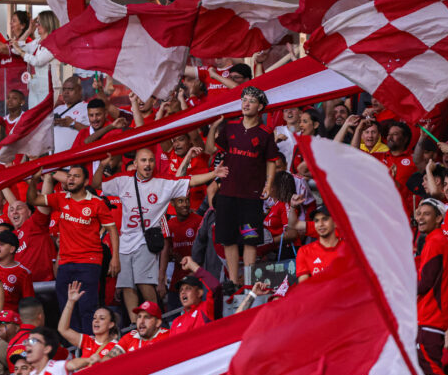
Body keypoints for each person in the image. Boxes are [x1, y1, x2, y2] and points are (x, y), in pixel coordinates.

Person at [96, 148, 227, 321]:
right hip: (125, 242)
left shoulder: (163, 181)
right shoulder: (122, 180)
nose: (148, 164)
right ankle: (137, 326)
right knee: (127, 285)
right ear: (135, 164)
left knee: (144, 283)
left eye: (151, 160)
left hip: (146, 240)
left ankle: (156, 320)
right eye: (143, 160)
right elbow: (97, 184)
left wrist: (213, 174)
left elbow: (190, 181)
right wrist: (101, 167)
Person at [28, 165, 119, 333]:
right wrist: (34, 180)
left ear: (85, 181)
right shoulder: (61, 198)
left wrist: (115, 258)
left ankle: (88, 349)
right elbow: (33, 200)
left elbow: (112, 229)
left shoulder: (97, 203)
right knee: (66, 310)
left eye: (76, 176)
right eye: (69, 176)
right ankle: (73, 350)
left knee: (87, 308)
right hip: (65, 264)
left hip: (89, 263)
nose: (70, 179)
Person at [205, 86, 279, 286]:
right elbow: (210, 149)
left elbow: (272, 160)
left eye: (251, 101)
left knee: (250, 239)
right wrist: (213, 127)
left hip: (251, 195)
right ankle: (232, 281)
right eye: (244, 99)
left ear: (260, 106)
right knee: (228, 239)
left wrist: (268, 184)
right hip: (227, 193)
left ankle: (248, 281)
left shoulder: (266, 133)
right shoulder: (230, 127)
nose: (246, 104)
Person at [414, 198, 448, 375]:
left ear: (439, 218)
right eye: (419, 213)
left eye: (426, 214)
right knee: (429, 374)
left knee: (434, 374)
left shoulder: (435, 242)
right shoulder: (439, 241)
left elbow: (424, 283)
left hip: (429, 318)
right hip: (432, 318)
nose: (420, 218)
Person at [58, 281, 119, 359]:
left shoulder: (116, 347)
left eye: (102, 318)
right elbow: (63, 329)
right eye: (94, 318)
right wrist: (71, 302)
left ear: (111, 324)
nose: (96, 321)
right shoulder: (87, 341)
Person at [18, 11, 60, 108]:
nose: (37, 25)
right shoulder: (37, 41)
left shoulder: (54, 42)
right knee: (33, 116)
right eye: (36, 23)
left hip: (49, 87)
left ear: (47, 23)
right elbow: (18, 48)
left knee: (45, 118)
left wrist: (21, 53)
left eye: (39, 23)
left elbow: (37, 61)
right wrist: (29, 31)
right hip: (35, 85)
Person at [101, 301, 169, 360]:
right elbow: (109, 357)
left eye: (147, 317)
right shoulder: (130, 336)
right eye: (139, 317)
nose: (141, 321)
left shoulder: (168, 336)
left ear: (158, 323)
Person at [294, 206, 342, 283]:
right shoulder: (304, 251)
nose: (320, 224)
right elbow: (304, 287)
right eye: (316, 221)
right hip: (318, 294)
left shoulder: (350, 249)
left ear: (336, 223)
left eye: (325, 219)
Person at [0, 229, 33, 311]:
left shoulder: (24, 273)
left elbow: (29, 304)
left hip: (7, 320)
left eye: (1, 244)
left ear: (12, 249)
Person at [52, 76, 90, 154]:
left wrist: (72, 123)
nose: (66, 92)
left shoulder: (87, 108)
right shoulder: (57, 109)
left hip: (75, 160)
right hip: (54, 159)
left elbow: (94, 132)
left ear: (80, 91)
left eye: (70, 89)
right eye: (64, 89)